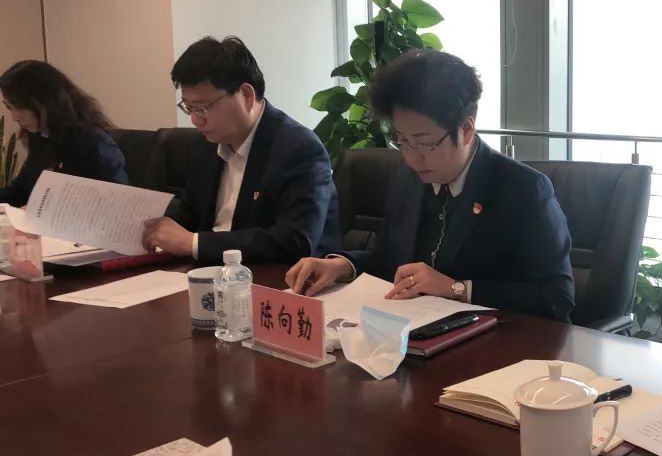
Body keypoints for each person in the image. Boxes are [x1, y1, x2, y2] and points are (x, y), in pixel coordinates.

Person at [285, 49, 575, 322]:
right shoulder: (408, 178)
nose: (412, 157)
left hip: (497, 343)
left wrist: (457, 289)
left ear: (466, 130)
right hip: (416, 336)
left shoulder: (523, 190)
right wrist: (341, 266)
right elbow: (389, 260)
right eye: (402, 141)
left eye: (424, 143)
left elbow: (557, 298)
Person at [142, 36, 340, 264]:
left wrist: (193, 243)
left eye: (203, 107)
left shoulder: (299, 149)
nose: (195, 120)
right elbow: (191, 213)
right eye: (189, 107)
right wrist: (153, 228)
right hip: (210, 272)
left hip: (276, 277)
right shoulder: (205, 144)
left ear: (246, 95)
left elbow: (294, 241)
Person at [0, 60, 127, 206]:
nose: (15, 117)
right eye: (9, 108)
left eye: (19, 107)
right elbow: (19, 191)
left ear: (45, 101)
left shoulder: (93, 143)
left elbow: (115, 205)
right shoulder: (43, 138)